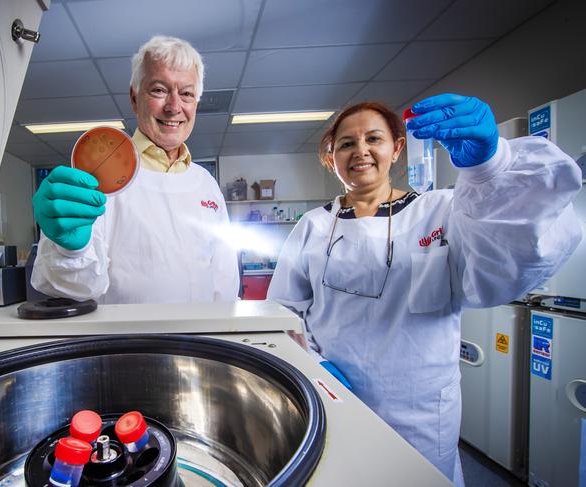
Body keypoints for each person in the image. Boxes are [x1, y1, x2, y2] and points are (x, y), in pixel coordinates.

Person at [267, 93, 582, 486]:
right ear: (331, 158)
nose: (360, 151)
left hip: (419, 405)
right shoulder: (313, 226)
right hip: (334, 393)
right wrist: (315, 365)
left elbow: (506, 263)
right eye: (346, 143)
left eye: (373, 139)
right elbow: (284, 310)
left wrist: (490, 168)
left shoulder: (441, 211)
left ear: (396, 149)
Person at [31, 35, 239, 304]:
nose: (174, 106)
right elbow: (75, 288)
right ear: (134, 98)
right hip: (125, 344)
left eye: (186, 93)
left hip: (200, 343)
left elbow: (224, 278)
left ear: (195, 103)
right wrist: (69, 250)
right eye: (159, 90)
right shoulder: (98, 176)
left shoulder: (205, 182)